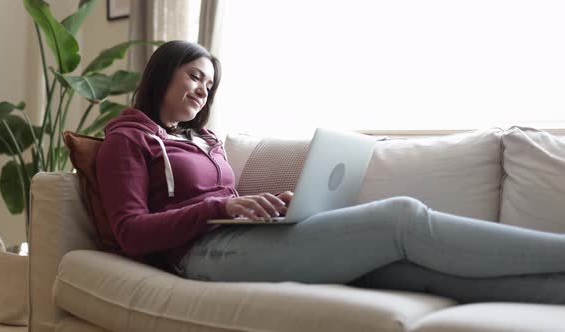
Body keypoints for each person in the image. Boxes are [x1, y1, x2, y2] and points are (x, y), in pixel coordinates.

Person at [96, 40, 565, 304]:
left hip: (240, 238)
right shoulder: (128, 138)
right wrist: (220, 206)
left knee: (412, 269)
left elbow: (221, 205)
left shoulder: (205, 139)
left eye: (210, 83)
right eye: (195, 76)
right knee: (400, 218)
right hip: (199, 256)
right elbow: (131, 232)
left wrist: (264, 206)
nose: (203, 90)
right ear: (163, 72)